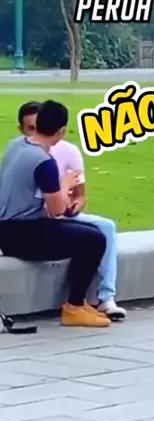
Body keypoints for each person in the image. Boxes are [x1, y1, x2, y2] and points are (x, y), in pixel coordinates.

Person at [0, 100, 111, 328]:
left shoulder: (16, 145)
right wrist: (66, 183)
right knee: (95, 239)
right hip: (21, 234)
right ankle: (74, 307)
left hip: (8, 227)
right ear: (61, 131)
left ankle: (79, 304)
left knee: (90, 231)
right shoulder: (44, 162)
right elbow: (57, 210)